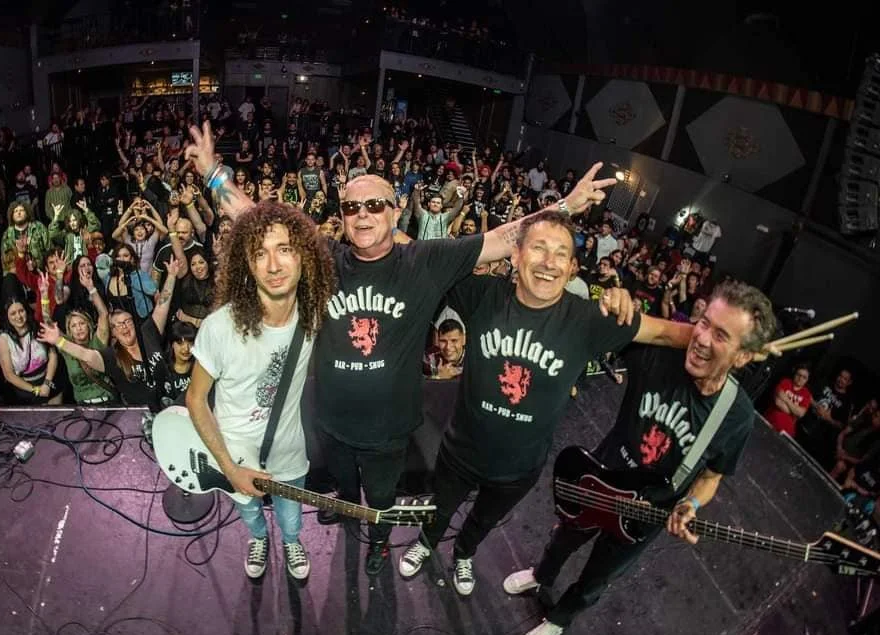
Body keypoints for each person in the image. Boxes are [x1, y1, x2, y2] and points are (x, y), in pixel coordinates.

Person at [181, 119, 615, 574]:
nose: (363, 215)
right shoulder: (326, 258)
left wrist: (565, 206)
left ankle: (379, 542)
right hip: (331, 423)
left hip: (388, 433)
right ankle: (348, 512)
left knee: (382, 499)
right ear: (342, 215)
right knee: (345, 488)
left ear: (395, 210)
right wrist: (213, 173)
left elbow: (502, 239)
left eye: (375, 205)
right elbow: (258, 221)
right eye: (352, 207)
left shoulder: (425, 261)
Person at [397, 214, 701, 594]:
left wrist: (728, 341)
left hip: (519, 467)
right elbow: (423, 258)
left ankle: (463, 554)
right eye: (538, 248)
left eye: (561, 254)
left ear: (572, 268)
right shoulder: (484, 295)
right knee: (440, 509)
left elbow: (668, 334)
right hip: (461, 451)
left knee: (483, 520)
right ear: (516, 255)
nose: (548, 262)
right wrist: (381, 224)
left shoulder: (588, 319)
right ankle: (426, 543)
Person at [502, 280, 777, 635]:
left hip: (645, 512)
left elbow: (712, 476)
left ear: (743, 357)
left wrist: (691, 504)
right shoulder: (658, 355)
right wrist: (615, 301)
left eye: (721, 335)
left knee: (598, 576)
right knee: (564, 535)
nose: (701, 339)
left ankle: (559, 619)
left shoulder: (736, 415)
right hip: (599, 476)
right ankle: (541, 576)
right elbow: (606, 327)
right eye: (703, 323)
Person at [184, 202, 335, 581]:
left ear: (304, 257)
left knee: (291, 517)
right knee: (250, 513)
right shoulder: (219, 328)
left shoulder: (314, 314)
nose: (273, 265)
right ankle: (257, 538)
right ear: (247, 265)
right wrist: (229, 468)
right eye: (259, 254)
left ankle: (291, 541)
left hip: (288, 452)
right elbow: (195, 399)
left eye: (284, 249)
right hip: (234, 454)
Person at [40, 259, 180, 430]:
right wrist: (59, 340)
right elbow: (86, 355)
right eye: (118, 325)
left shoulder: (148, 334)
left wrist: (172, 275)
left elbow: (162, 305)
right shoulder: (112, 356)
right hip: (138, 420)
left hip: (170, 409)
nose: (124, 327)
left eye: (127, 321)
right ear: (113, 333)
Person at [0, 298, 62, 405]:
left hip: (51, 381)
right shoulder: (4, 339)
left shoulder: (37, 327)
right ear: (7, 317)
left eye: (21, 311)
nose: (18, 316)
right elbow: (9, 375)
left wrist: (47, 383)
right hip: (27, 392)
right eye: (13, 313)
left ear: (26, 311)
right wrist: (36, 390)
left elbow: (53, 354)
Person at [763, 365, 812, 437]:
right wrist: (794, 413)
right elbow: (778, 402)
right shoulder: (785, 382)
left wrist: (786, 399)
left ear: (807, 380)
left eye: (804, 377)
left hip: (786, 433)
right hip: (770, 422)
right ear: (794, 374)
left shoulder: (807, 394)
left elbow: (800, 413)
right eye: (799, 375)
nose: (800, 378)